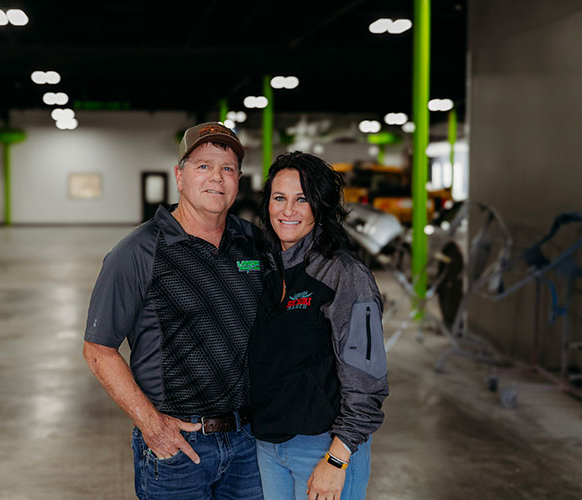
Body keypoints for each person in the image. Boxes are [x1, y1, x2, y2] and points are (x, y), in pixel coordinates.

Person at [83, 122, 265, 500]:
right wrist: (151, 425)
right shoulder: (137, 252)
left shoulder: (253, 242)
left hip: (249, 442)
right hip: (177, 447)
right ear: (179, 177)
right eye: (203, 166)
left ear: (239, 180)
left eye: (228, 168)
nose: (217, 177)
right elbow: (98, 349)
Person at [249, 152, 389, 500]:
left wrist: (337, 459)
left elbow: (367, 379)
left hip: (323, 449)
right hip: (269, 446)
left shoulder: (344, 275)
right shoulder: (264, 267)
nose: (288, 210)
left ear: (320, 206)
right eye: (279, 198)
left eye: (302, 199)